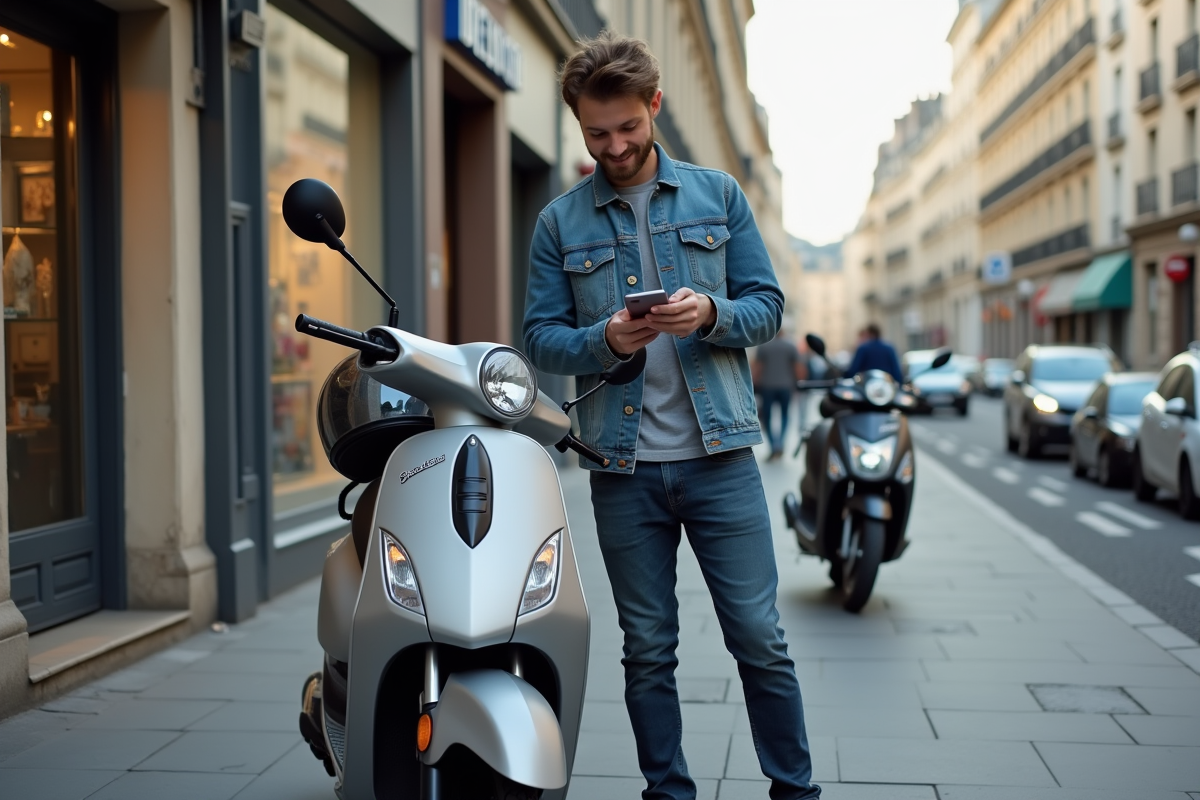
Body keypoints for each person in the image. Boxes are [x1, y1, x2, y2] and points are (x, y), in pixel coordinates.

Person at [522, 32, 821, 800]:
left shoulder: (719, 195)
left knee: (760, 638)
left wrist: (713, 311)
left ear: (654, 105)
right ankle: (668, 792)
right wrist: (604, 338)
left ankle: (795, 789)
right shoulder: (559, 223)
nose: (614, 147)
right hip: (622, 471)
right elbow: (539, 337)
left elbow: (768, 309)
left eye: (626, 127)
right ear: (578, 124)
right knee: (648, 648)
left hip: (720, 460)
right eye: (596, 133)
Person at [753, 329, 807, 459]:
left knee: (767, 417)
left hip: (767, 386)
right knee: (784, 416)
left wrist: (754, 383)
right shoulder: (790, 346)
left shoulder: (763, 346)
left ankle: (774, 446)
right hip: (786, 386)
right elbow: (798, 368)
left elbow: (757, 368)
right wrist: (801, 384)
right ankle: (780, 443)